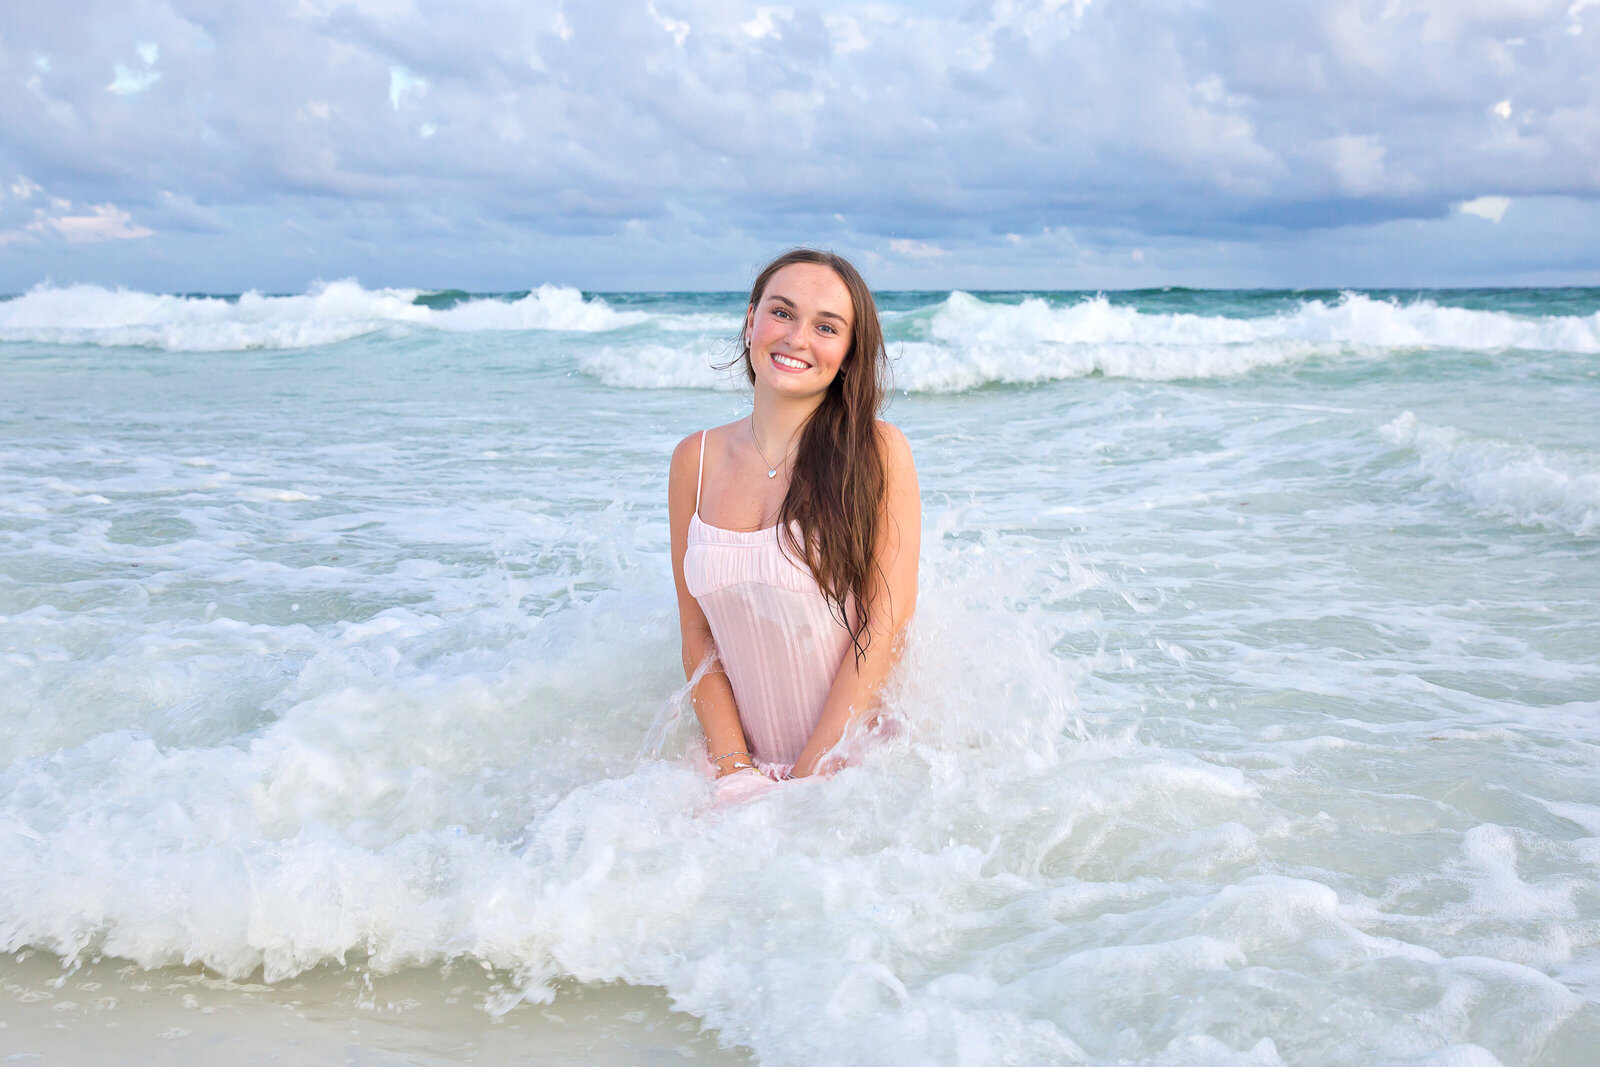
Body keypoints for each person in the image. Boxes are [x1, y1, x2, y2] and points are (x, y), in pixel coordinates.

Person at [668, 249, 920, 783]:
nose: (797, 338)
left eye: (826, 326)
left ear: (850, 351)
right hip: (733, 769)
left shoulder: (876, 451)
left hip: (857, 771)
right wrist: (735, 773)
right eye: (782, 312)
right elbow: (696, 634)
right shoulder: (696, 458)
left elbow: (885, 626)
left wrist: (808, 779)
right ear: (751, 320)